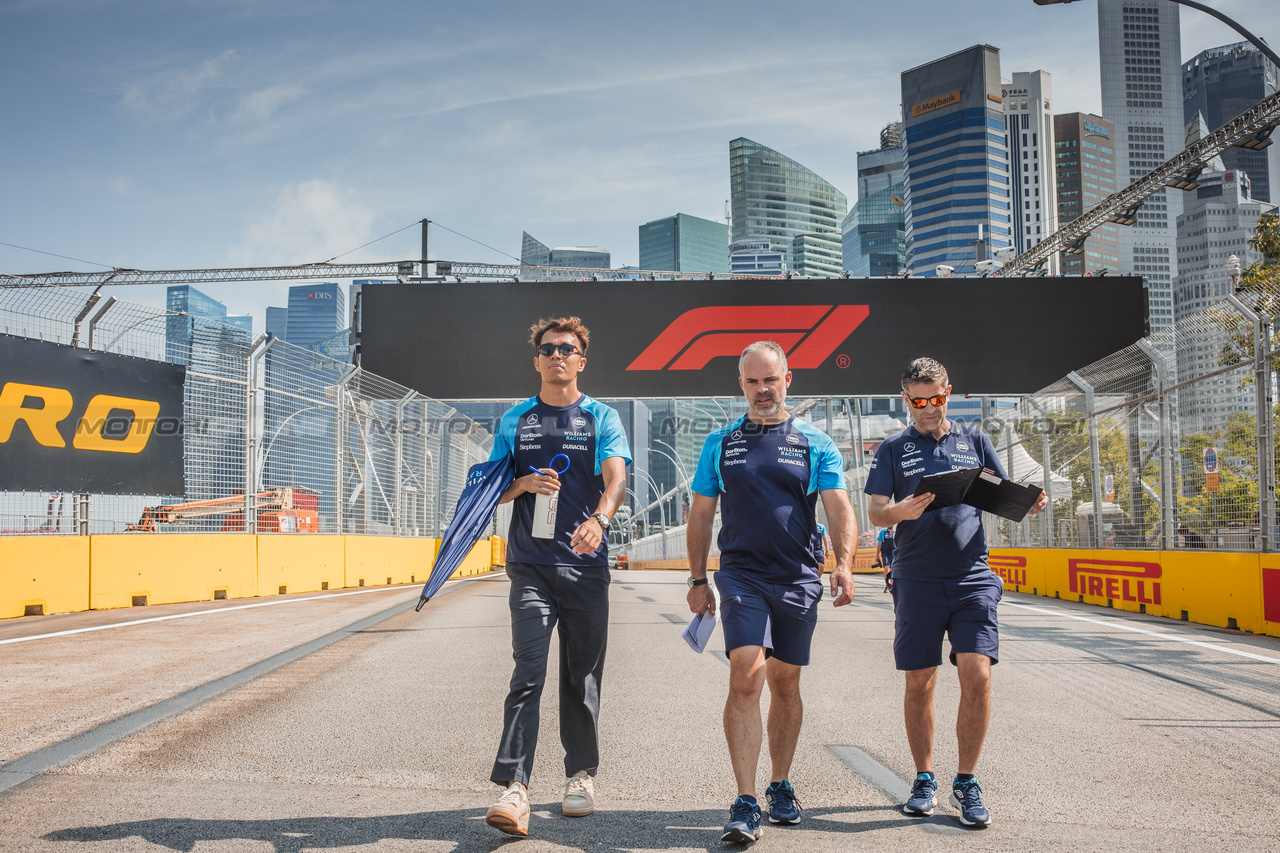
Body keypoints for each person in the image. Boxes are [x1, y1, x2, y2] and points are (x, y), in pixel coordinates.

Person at [686, 341, 857, 843]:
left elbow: (839, 509)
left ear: (788, 380)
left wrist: (844, 565)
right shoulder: (720, 443)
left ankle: (780, 784)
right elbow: (700, 514)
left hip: (799, 578)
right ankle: (745, 800)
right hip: (741, 576)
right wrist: (698, 580)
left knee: (786, 684)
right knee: (746, 675)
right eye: (753, 381)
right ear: (741, 385)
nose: (763, 390)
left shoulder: (815, 442)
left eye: (771, 380)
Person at [865, 357, 1046, 828]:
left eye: (937, 397)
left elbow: (1002, 494)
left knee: (978, 676)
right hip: (916, 578)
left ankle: (966, 781)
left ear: (950, 391)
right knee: (920, 682)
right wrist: (900, 510)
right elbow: (876, 514)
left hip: (972, 576)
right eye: (919, 400)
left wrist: (1030, 497)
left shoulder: (975, 440)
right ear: (906, 400)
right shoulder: (891, 449)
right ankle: (924, 777)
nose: (929, 407)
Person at [483, 316, 631, 837]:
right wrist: (521, 481)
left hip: (587, 568)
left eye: (567, 349)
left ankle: (580, 776)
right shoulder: (514, 420)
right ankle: (515, 788)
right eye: (548, 349)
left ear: (580, 360)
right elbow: (490, 491)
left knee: (581, 676)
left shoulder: (601, 417)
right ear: (537, 360)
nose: (557, 356)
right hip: (529, 567)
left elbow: (616, 478)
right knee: (528, 673)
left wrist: (600, 519)